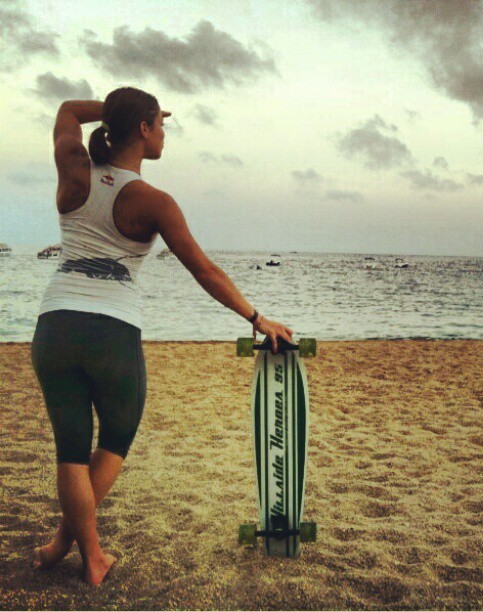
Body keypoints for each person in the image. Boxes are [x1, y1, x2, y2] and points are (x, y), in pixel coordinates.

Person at [31, 87, 293, 586]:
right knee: (115, 440)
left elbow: (66, 110)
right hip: (112, 334)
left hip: (55, 326)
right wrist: (257, 318)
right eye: (160, 124)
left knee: (70, 450)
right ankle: (90, 556)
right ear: (145, 129)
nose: (164, 133)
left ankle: (68, 546)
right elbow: (205, 271)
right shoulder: (154, 201)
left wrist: (115, 110)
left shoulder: (73, 168)